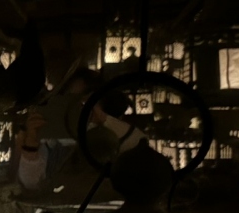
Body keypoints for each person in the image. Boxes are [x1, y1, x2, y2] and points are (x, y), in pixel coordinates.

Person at [16, 68, 145, 193]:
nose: (78, 107)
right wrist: (31, 141)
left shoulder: (116, 134)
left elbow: (140, 145)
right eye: (71, 100)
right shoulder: (54, 141)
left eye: (85, 101)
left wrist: (104, 120)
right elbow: (32, 183)